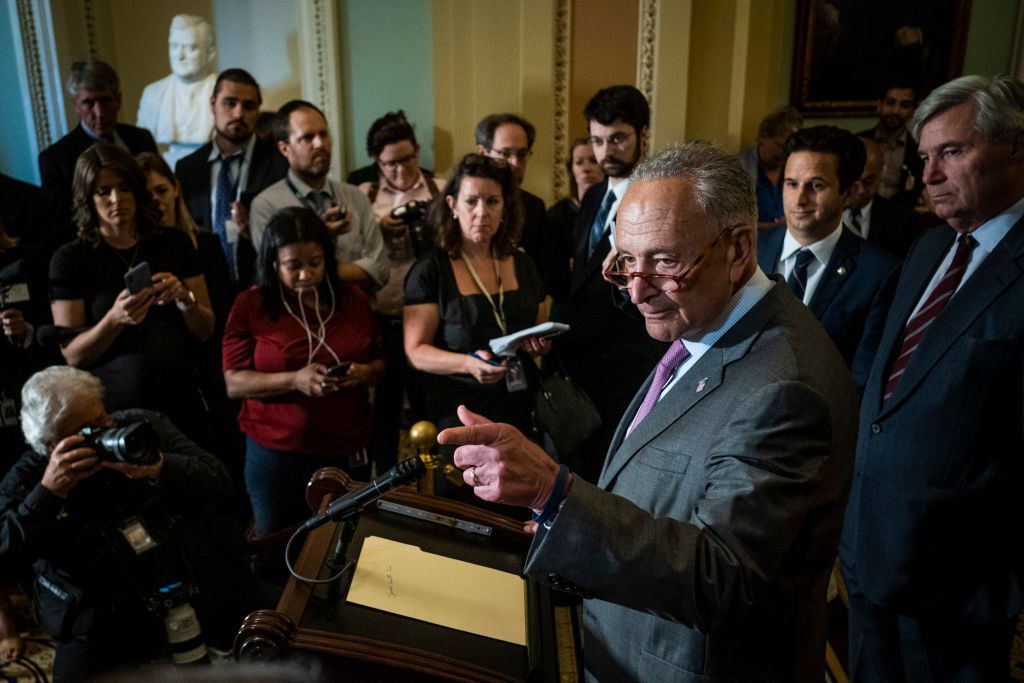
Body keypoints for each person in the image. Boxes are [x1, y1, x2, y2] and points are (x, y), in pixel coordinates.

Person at [439, 142, 859, 682]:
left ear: (738, 250)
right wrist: (566, 519)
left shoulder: (783, 387)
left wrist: (555, 494)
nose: (637, 291)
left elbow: (717, 576)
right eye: (626, 261)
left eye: (664, 261)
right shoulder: (704, 320)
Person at [841, 74, 1024, 682]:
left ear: (1015, 147)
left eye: (953, 151)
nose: (930, 174)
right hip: (870, 556)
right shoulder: (926, 251)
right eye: (924, 157)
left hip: (958, 591)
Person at [0, 366, 248, 680]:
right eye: (89, 430)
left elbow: (219, 480)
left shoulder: (140, 426)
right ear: (52, 444)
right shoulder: (28, 478)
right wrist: (49, 493)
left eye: (103, 417)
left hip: (184, 581)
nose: (106, 431)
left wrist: (158, 467)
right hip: (97, 618)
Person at [222, 207, 384, 541]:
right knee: (277, 543)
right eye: (293, 266)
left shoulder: (352, 299)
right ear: (273, 264)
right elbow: (234, 382)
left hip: (346, 447)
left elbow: (381, 365)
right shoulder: (252, 304)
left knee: (343, 541)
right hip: (277, 454)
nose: (306, 274)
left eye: (314, 262)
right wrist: (295, 380)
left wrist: (363, 372)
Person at [49, 144, 214, 441]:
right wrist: (114, 319)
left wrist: (184, 300)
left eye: (124, 188)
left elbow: (206, 329)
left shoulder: (173, 242)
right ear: (87, 197)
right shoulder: (71, 259)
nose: (117, 199)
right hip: (115, 414)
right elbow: (73, 355)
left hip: (183, 401)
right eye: (103, 191)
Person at [403, 154, 550, 454]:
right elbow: (416, 352)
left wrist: (538, 342)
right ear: (452, 206)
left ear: (505, 207)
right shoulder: (432, 270)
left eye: (492, 201)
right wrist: (469, 364)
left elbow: (537, 324)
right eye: (471, 201)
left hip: (520, 408)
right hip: (461, 411)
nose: (481, 212)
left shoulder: (522, 263)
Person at [559, 85, 667, 481]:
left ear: (642, 134)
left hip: (631, 364)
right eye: (597, 140)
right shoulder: (592, 198)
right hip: (581, 367)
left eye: (618, 139)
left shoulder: (657, 200)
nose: (606, 151)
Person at [757, 126, 901, 392]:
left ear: (848, 192)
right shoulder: (752, 251)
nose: (800, 199)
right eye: (791, 184)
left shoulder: (879, 273)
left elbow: (862, 380)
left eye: (816, 186)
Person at [357, 112, 444, 470]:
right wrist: (379, 227)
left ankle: (438, 479)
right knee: (384, 411)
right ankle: (384, 483)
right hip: (382, 316)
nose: (402, 169)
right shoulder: (366, 195)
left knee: (431, 407)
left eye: (408, 159)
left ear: (417, 151)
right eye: (391, 163)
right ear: (377, 162)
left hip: (432, 318)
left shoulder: (440, 188)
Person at [250, 100, 389, 292]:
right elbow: (277, 279)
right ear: (284, 148)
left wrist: (311, 271)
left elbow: (381, 270)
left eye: (323, 134)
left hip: (356, 316)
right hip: (298, 319)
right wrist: (320, 235)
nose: (320, 144)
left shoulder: (356, 197)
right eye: (307, 137)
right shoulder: (266, 206)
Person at [175, 69, 289, 288]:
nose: (238, 114)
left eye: (248, 106)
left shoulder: (280, 164)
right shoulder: (188, 168)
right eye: (230, 103)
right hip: (208, 291)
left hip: (264, 287)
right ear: (212, 104)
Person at [39, 60, 158, 243]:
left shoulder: (141, 139)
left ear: (118, 100)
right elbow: (61, 226)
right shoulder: (57, 159)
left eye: (105, 100)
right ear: (76, 106)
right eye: (88, 103)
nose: (99, 112)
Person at [136, 15, 218, 167]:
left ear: (210, 53)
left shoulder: (224, 93)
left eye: (190, 48)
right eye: (174, 46)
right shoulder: (153, 94)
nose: (179, 56)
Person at [475, 113, 547, 268]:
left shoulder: (534, 207)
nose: (515, 163)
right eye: (505, 154)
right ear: (482, 153)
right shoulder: (460, 205)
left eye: (522, 155)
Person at [544, 137, 604, 310]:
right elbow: (551, 273)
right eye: (579, 163)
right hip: (566, 303)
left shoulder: (615, 209)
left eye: (593, 161)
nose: (586, 169)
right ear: (571, 169)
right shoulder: (556, 215)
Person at [843, 138, 922, 259]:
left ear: (881, 174)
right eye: (853, 182)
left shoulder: (905, 221)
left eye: (869, 182)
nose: (861, 190)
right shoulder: (820, 216)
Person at [857, 82, 924, 207]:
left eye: (904, 105)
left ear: (913, 111)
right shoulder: (856, 142)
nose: (895, 111)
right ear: (879, 105)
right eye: (890, 103)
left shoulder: (920, 149)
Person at [737, 106, 804, 229]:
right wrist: (775, 226)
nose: (784, 153)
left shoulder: (795, 169)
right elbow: (731, 223)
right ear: (762, 137)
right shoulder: (739, 167)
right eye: (779, 145)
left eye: (789, 148)